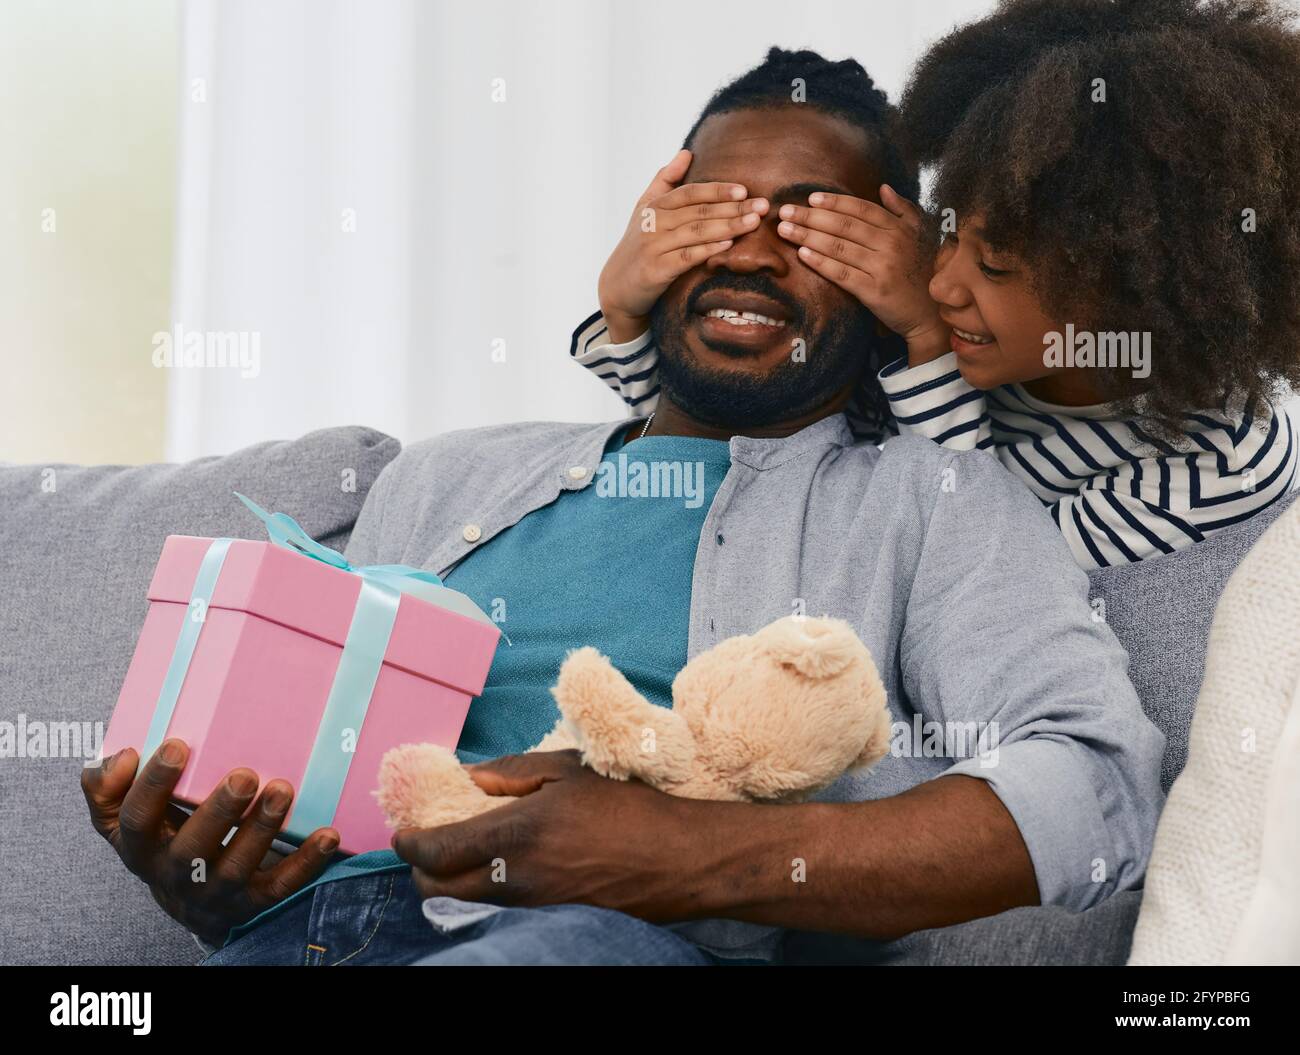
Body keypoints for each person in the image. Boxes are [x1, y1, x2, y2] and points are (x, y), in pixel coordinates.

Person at [82, 46, 1164, 966]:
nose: (746, 248)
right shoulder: (446, 476)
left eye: (809, 227)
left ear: (889, 280)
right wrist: (227, 883)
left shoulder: (933, 503)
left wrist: (681, 850)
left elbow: (1096, 784)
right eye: (714, 212)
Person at [577, 6, 1300, 570]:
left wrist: (928, 349)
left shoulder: (1221, 459)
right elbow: (728, 443)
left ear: (1131, 291)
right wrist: (623, 307)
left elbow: (984, 576)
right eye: (949, 232)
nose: (941, 282)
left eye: (995, 267)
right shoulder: (941, 329)